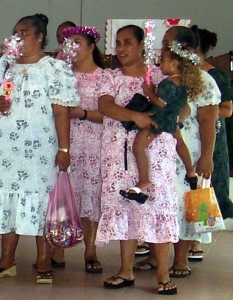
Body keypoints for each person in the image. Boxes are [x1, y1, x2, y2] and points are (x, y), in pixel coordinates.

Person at [0, 13, 79, 284]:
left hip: (41, 146)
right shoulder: (5, 64)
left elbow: (61, 112)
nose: (19, 38)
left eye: (24, 33)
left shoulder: (53, 68)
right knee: (8, 196)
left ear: (38, 38)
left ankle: (44, 258)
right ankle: (6, 258)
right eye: (16, 32)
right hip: (7, 145)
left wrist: (64, 149)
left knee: (41, 198)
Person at [96, 25, 179, 295]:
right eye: (118, 43)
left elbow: (183, 105)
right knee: (126, 206)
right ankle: (126, 270)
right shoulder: (110, 77)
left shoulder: (158, 74)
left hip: (155, 152)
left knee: (158, 207)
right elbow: (105, 106)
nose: (121, 48)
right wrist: (134, 116)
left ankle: (163, 275)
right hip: (119, 154)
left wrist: (165, 120)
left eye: (127, 42)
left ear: (143, 45)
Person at [120, 35, 203, 203]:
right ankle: (190, 171)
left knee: (138, 147)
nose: (160, 64)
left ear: (174, 64)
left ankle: (144, 179)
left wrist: (149, 92)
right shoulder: (182, 83)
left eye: (163, 61)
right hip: (172, 120)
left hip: (159, 120)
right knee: (180, 143)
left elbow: (161, 103)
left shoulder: (169, 83)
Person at [185, 25, 233, 262]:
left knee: (205, 185)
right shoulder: (178, 75)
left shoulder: (215, 76)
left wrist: (200, 113)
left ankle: (197, 239)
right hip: (186, 137)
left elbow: (227, 109)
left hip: (210, 134)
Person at [62, 26, 107, 273]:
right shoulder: (60, 75)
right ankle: (57, 247)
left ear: (91, 47)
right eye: (69, 43)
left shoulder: (104, 77)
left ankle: (90, 250)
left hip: (93, 144)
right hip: (63, 142)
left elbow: (110, 113)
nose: (74, 48)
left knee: (89, 196)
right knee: (62, 195)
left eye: (78, 42)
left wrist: (84, 114)